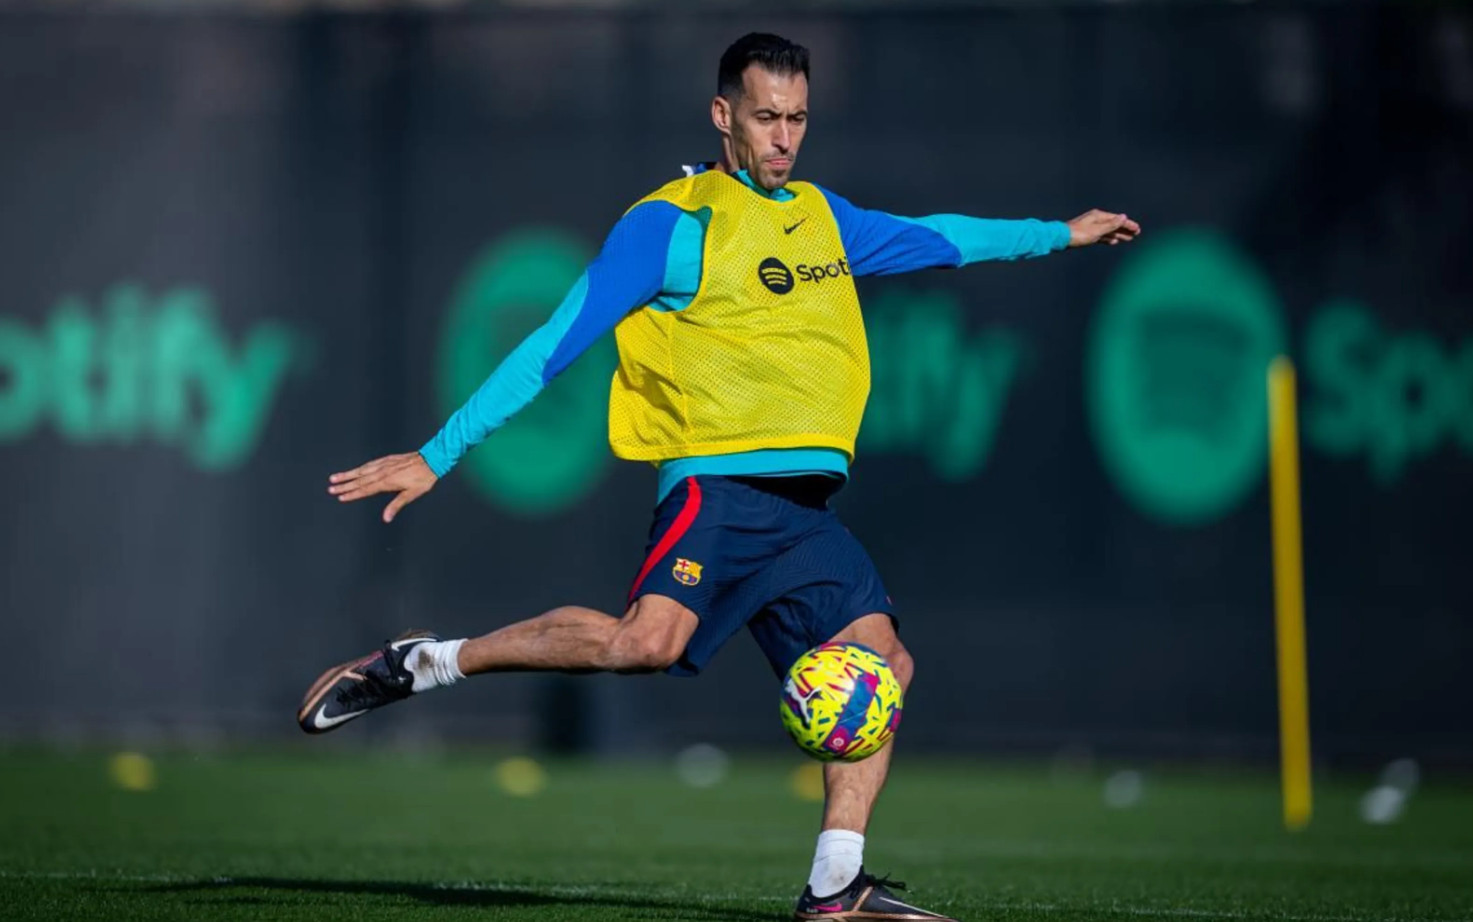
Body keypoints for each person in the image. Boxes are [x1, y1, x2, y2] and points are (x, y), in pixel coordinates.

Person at [298, 31, 1139, 921]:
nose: (784, 137)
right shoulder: (671, 222)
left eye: (798, 118)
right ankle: (426, 662)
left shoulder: (822, 215)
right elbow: (555, 341)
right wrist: (438, 454)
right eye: (766, 116)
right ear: (722, 114)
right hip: (719, 491)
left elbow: (939, 239)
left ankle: (834, 888)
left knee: (884, 664)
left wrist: (1061, 234)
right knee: (644, 645)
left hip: (805, 512)